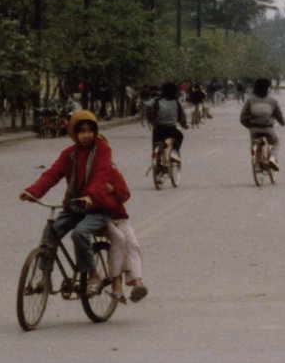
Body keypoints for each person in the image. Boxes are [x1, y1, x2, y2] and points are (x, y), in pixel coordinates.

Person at [19, 110, 112, 296]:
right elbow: (52, 174)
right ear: (73, 133)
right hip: (75, 205)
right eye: (81, 131)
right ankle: (43, 279)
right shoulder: (69, 154)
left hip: (97, 206)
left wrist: (90, 196)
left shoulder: (102, 149)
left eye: (89, 131)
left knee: (79, 234)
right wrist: (32, 191)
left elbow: (101, 176)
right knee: (49, 234)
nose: (86, 135)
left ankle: (93, 275)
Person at [98, 163, 148, 304]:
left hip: (119, 218)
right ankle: (116, 285)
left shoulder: (113, 172)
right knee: (119, 240)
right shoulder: (89, 173)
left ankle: (137, 282)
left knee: (132, 244)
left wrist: (113, 189)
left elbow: (125, 194)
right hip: (102, 219)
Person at [239, 76, 285, 171]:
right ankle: (272, 158)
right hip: (268, 128)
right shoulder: (272, 101)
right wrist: (282, 122)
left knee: (257, 143)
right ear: (268, 88)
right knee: (276, 142)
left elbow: (243, 117)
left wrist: (250, 126)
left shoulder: (250, 100)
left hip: (254, 129)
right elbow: (278, 115)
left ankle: (258, 163)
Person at [146, 82, 189, 162]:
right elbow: (181, 117)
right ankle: (174, 151)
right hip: (171, 130)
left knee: (156, 139)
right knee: (179, 136)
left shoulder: (156, 101)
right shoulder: (176, 103)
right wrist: (184, 125)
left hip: (158, 129)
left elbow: (147, 106)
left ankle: (155, 153)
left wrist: (151, 120)